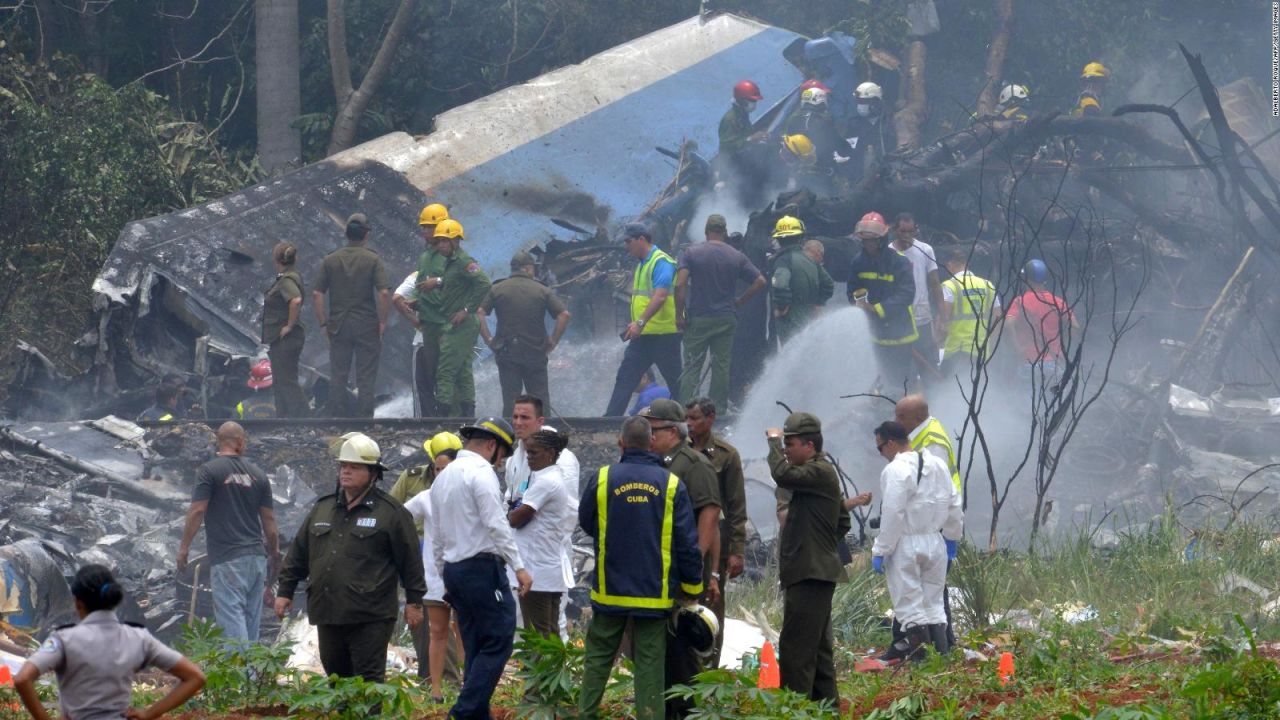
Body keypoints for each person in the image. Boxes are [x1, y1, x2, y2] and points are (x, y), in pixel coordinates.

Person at [578, 416, 704, 720]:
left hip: (611, 591)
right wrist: (692, 589)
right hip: (654, 594)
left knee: (597, 659)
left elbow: (586, 521)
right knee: (650, 666)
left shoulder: (604, 477)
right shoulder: (672, 484)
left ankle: (585, 714)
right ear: (651, 443)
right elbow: (687, 542)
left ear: (621, 443)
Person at [275, 434, 427, 684]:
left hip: (370, 615)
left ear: (373, 473)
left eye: (354, 467)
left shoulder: (391, 513)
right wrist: (285, 591)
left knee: (367, 680)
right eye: (343, 466)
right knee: (336, 677)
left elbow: (410, 561)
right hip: (328, 610)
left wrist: (415, 602)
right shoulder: (322, 508)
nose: (346, 471)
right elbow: (299, 553)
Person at [430, 418, 533, 720]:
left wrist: (443, 576)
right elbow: (497, 525)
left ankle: (476, 715)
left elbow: (436, 534)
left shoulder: (443, 478)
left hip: (454, 569)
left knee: (475, 642)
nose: (500, 463)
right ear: (491, 446)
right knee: (500, 637)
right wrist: (520, 567)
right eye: (501, 456)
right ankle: (463, 712)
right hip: (481, 568)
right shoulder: (481, 473)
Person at [14, 565, 205, 720]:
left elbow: (23, 679)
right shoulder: (139, 638)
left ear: (78, 602)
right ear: (114, 600)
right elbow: (195, 677)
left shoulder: (64, 639)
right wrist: (149, 713)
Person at [765, 413, 857, 702]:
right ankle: (825, 709)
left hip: (809, 573)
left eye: (789, 444)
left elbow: (782, 474)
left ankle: (795, 709)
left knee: (796, 650)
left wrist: (771, 441)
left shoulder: (818, 472)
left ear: (809, 445)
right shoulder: (818, 477)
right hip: (815, 570)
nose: (785, 450)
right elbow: (842, 520)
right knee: (817, 649)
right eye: (783, 445)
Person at [641, 399, 720, 718]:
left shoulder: (693, 464)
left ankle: (686, 712)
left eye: (653, 430)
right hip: (660, 571)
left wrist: (695, 563)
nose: (648, 437)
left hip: (681, 572)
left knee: (681, 650)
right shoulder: (658, 463)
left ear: (671, 431)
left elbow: (710, 512)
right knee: (663, 650)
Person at [176, 421, 278, 643]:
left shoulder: (209, 471)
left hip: (228, 558)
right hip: (256, 558)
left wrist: (183, 548)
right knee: (251, 624)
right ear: (240, 442)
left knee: (232, 625)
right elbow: (268, 520)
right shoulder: (259, 474)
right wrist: (274, 553)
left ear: (219, 442)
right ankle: (252, 676)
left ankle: (239, 676)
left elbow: (197, 511)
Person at [870, 421, 963, 661]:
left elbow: (893, 513)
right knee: (934, 604)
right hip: (936, 541)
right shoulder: (938, 464)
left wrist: (881, 549)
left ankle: (921, 660)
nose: (882, 454)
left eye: (880, 448)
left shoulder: (895, 470)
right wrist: (952, 536)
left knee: (909, 604)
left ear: (891, 443)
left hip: (906, 543)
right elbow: (954, 502)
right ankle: (940, 658)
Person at [388, 431, 464, 698]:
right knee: (425, 621)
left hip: (454, 559)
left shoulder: (468, 487)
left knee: (449, 623)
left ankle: (450, 679)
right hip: (420, 557)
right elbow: (394, 513)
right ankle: (431, 678)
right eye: (437, 466)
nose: (440, 472)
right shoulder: (415, 483)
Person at [674, 214, 765, 409]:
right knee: (721, 367)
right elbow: (760, 281)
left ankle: (686, 411)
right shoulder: (736, 256)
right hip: (725, 319)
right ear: (724, 232)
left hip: (698, 319)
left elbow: (680, 284)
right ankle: (718, 413)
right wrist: (740, 301)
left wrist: (679, 315)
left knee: (691, 366)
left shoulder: (691, 253)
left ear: (706, 232)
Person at [685, 397, 748, 665]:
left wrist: (736, 551)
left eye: (695, 418)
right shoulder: (679, 452)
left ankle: (710, 668)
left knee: (711, 606)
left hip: (715, 544)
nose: (689, 423)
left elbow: (736, 507)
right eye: (686, 418)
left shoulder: (726, 455)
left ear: (710, 419)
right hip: (684, 540)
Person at [311, 213, 391, 418]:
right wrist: (382, 321)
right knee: (366, 377)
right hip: (366, 325)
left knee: (338, 375)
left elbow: (317, 294)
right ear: (366, 235)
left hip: (338, 326)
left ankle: (338, 419)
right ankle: (364, 421)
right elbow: (383, 293)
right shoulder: (373, 259)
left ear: (346, 234)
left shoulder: (330, 260)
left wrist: (323, 324)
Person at [478, 251, 571, 417]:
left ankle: (510, 437)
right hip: (535, 352)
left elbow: (479, 313)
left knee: (511, 401)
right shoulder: (542, 290)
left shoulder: (497, 288)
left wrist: (489, 340)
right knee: (539, 400)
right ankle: (543, 436)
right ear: (528, 269)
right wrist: (553, 341)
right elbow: (564, 315)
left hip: (506, 352)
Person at [604, 223, 683, 416]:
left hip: (664, 335)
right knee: (625, 377)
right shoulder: (642, 264)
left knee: (676, 381)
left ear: (641, 239)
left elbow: (661, 295)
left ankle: (686, 417)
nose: (626, 246)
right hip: (644, 336)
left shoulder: (661, 261)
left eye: (628, 241)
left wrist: (640, 322)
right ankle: (610, 420)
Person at [506, 428, 574, 639]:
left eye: (534, 453)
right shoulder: (545, 477)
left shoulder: (546, 482)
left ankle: (540, 672)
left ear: (550, 453)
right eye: (528, 453)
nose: (529, 457)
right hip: (545, 568)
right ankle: (552, 672)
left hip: (537, 570)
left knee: (538, 635)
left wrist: (511, 511)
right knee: (549, 632)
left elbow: (516, 519)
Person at [847, 211, 918, 392]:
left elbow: (907, 294)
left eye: (872, 240)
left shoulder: (898, 262)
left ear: (881, 239)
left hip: (900, 334)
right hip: (874, 334)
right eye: (865, 241)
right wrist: (859, 303)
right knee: (878, 381)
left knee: (901, 382)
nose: (868, 244)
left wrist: (877, 309)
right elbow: (853, 290)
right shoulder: (858, 263)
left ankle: (904, 413)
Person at [431, 219, 491, 418]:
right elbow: (455, 284)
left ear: (456, 240)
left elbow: (484, 282)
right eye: (438, 241)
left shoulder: (465, 262)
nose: (440, 245)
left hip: (461, 324)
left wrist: (466, 309)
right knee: (464, 369)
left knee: (445, 370)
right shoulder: (451, 264)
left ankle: (442, 418)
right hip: (458, 323)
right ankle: (468, 415)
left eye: (445, 241)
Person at [1006, 258, 1078, 385]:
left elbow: (1008, 324)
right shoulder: (1058, 302)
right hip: (1054, 362)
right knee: (1055, 402)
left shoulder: (1019, 302)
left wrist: (1017, 347)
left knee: (1025, 403)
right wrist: (1061, 346)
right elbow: (1075, 326)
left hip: (1029, 361)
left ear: (1026, 279)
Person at [890, 214, 943, 382]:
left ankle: (933, 402)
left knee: (929, 364)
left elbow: (935, 283)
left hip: (922, 319)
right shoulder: (888, 253)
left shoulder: (925, 250)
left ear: (915, 231)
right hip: (898, 320)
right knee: (901, 368)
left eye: (910, 232)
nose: (906, 235)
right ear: (895, 230)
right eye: (902, 231)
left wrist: (942, 316)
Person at [410, 203, 452, 416]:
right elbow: (420, 284)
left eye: (429, 227)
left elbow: (466, 282)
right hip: (428, 325)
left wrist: (439, 281)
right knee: (424, 378)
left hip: (445, 325)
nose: (424, 231)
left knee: (445, 377)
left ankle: (449, 420)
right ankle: (428, 422)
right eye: (423, 227)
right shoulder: (426, 256)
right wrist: (415, 300)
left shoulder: (451, 255)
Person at [505, 395, 582, 504]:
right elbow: (509, 497)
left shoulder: (561, 457)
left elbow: (568, 505)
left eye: (524, 417)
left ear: (540, 421)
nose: (518, 423)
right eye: (515, 417)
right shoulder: (513, 460)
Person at [939, 247, 1000, 382]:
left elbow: (944, 319)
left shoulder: (949, 286)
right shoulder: (987, 285)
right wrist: (991, 344)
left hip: (957, 349)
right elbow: (997, 318)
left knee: (950, 388)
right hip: (981, 349)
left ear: (950, 264)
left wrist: (936, 342)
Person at [770, 216, 834, 344]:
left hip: (790, 320)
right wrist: (818, 303)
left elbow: (780, 285)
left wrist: (781, 308)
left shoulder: (783, 261)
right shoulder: (810, 260)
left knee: (792, 356)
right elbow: (828, 284)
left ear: (778, 239)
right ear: (800, 237)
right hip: (810, 317)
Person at [262, 242, 308, 417]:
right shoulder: (288, 276)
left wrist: (289, 325)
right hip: (282, 339)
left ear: (276, 260)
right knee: (281, 380)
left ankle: (304, 418)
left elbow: (295, 300)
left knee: (287, 380)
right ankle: (284, 418)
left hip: (288, 338)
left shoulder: (287, 280)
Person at [785, 87, 855, 178]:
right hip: (821, 172)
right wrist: (853, 153)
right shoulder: (819, 122)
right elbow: (840, 145)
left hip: (798, 172)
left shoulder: (793, 119)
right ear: (821, 101)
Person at [843, 82, 895, 184]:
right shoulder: (854, 124)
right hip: (859, 178)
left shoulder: (888, 122)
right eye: (859, 101)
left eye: (864, 102)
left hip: (886, 176)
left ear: (875, 102)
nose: (861, 105)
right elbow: (848, 151)